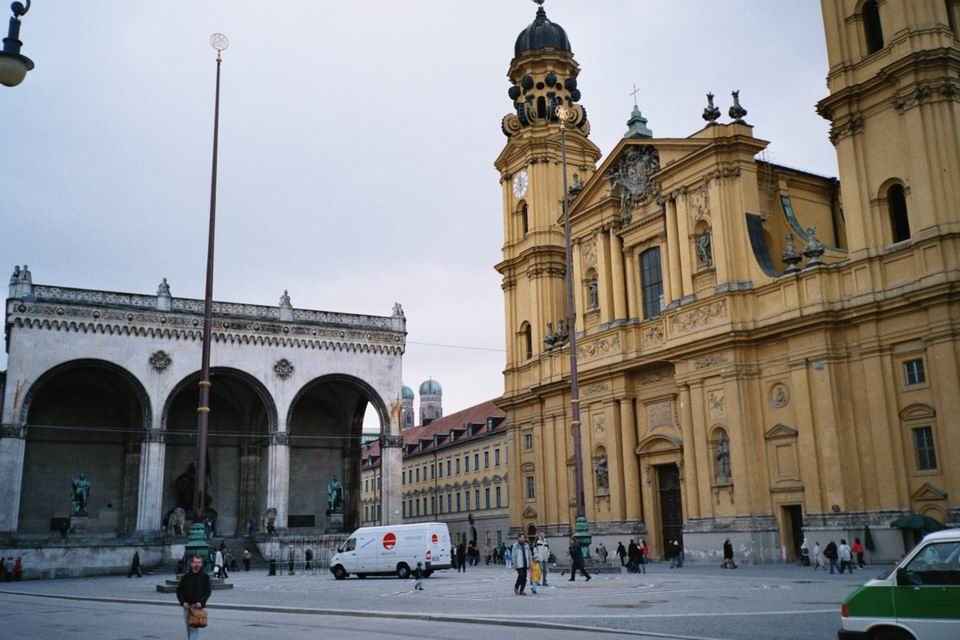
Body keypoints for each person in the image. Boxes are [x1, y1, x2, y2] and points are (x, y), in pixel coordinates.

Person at [177, 555, 212, 639]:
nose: (197, 564)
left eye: (199, 563)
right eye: (195, 562)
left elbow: (208, 592)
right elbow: (179, 591)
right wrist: (183, 602)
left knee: (194, 629)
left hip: (197, 607)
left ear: (201, 564)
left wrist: (201, 602)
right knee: (189, 629)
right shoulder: (186, 577)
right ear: (191, 564)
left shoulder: (205, 577)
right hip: (187, 606)